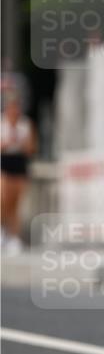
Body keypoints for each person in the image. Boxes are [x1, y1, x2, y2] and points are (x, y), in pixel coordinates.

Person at [1, 94, 37, 255]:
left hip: (19, 164)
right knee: (3, 200)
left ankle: (14, 236)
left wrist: (21, 144)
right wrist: (6, 144)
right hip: (4, 163)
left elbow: (31, 148)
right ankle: (3, 230)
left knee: (16, 203)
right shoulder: (2, 124)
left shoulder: (26, 125)